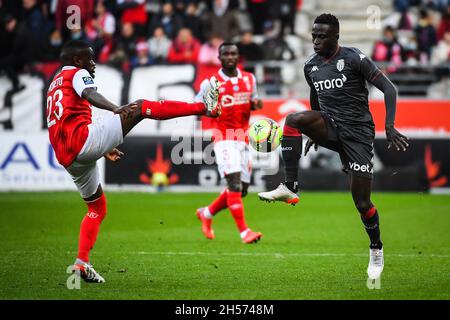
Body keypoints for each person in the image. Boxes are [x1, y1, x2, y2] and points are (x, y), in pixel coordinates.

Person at [47, 40, 221, 283]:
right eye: (90, 58)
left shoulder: (55, 83)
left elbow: (68, 117)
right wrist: (115, 108)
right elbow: (90, 93)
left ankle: (81, 264)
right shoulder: (77, 73)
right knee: (138, 108)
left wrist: (101, 147)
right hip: (82, 142)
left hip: (69, 156)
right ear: (77, 61)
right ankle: (204, 106)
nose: (93, 63)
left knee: (97, 208)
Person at [258, 14, 409, 279]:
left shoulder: (354, 58)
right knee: (293, 120)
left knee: (362, 203)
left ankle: (376, 247)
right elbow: (316, 104)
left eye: (322, 36)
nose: (315, 40)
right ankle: (290, 187)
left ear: (335, 36)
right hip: (331, 125)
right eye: (314, 35)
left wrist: (389, 125)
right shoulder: (311, 67)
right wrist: (315, 132)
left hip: (358, 135)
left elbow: (389, 89)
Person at [195, 42, 264, 244]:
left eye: (233, 53)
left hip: (243, 138)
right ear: (219, 57)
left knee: (241, 190)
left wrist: (256, 104)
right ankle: (244, 232)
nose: (230, 57)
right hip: (223, 137)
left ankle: (207, 213)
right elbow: (196, 104)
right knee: (233, 183)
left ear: (238, 56)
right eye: (226, 54)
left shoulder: (250, 79)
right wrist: (208, 109)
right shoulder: (211, 83)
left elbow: (254, 101)